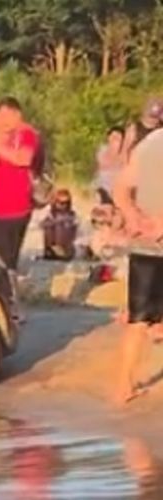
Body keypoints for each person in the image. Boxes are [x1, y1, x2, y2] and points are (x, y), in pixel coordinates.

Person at [111, 127, 163, 404]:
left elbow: (120, 188)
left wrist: (134, 217)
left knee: (137, 319)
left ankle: (123, 386)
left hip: (145, 243)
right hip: (154, 238)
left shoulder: (147, 145)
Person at [0, 97, 40, 275]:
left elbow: (24, 158)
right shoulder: (9, 138)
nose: (0, 123)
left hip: (13, 208)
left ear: (16, 114)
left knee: (2, 262)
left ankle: (7, 296)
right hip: (0, 209)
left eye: (3, 117)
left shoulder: (26, 134)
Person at [40, 189, 79, 261]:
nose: (64, 205)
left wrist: (67, 222)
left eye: (66, 203)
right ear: (55, 202)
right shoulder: (51, 213)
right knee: (50, 226)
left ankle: (62, 251)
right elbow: (41, 224)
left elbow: (76, 231)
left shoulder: (71, 214)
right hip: (53, 246)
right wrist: (55, 221)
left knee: (64, 225)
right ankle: (52, 250)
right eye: (60, 203)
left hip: (66, 248)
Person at [123, 96, 162, 161]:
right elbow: (125, 150)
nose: (153, 120)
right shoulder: (134, 128)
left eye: (156, 117)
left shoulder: (160, 129)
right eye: (151, 116)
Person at [95, 126, 125, 205]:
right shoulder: (102, 150)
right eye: (113, 137)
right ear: (108, 138)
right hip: (103, 188)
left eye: (118, 138)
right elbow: (104, 164)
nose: (115, 140)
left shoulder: (125, 153)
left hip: (119, 190)